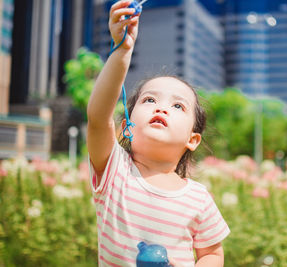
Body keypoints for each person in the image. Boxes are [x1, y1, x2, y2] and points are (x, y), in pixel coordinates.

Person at [86, 1, 230, 266]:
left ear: (192, 139)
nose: (161, 108)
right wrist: (122, 51)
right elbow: (97, 118)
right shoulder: (114, 170)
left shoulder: (198, 198)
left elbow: (212, 253)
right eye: (149, 100)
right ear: (125, 128)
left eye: (177, 106)